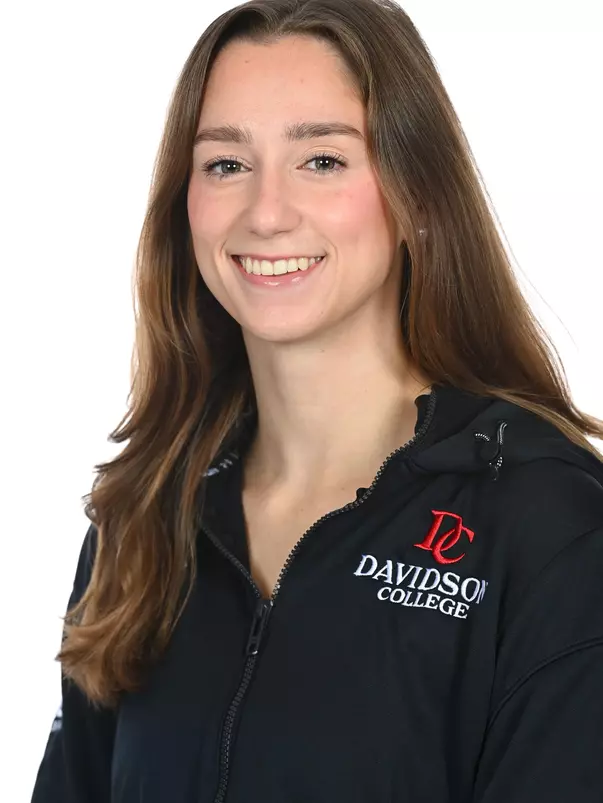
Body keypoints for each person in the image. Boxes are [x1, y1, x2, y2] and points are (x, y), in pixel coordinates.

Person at [31, 0, 603, 801]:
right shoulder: (144, 514)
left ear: (416, 194)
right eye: (225, 164)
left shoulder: (548, 526)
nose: (266, 213)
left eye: (322, 160)